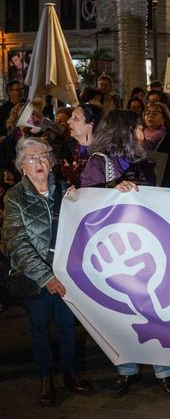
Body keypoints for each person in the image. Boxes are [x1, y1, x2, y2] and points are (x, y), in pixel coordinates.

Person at [78, 110, 170, 397]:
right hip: (114, 250)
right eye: (138, 128)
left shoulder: (144, 161)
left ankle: (165, 370)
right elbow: (84, 202)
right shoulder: (99, 164)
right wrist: (112, 189)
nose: (142, 133)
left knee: (154, 307)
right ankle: (127, 369)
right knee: (121, 311)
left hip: (145, 244)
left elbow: (152, 197)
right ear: (124, 131)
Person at [2, 137, 94, 405]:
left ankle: (71, 373)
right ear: (22, 167)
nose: (38, 162)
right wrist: (46, 277)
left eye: (43, 156)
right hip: (34, 278)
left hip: (65, 275)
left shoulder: (67, 191)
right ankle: (45, 378)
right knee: (40, 328)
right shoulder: (14, 197)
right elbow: (16, 243)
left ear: (52, 162)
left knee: (67, 326)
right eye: (30, 158)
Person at [59, 103, 102, 187]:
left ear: (89, 126)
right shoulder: (67, 146)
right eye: (71, 117)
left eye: (76, 118)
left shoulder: (104, 151)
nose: (68, 121)